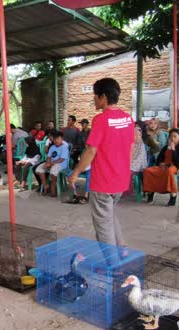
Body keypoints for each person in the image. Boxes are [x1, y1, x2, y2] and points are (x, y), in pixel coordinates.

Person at [68, 77, 134, 247]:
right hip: (120, 180)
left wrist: (75, 173)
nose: (94, 99)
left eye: (95, 96)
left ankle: (112, 269)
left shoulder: (101, 120)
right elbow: (130, 148)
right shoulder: (127, 119)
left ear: (103, 97)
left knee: (103, 227)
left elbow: (91, 151)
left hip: (103, 182)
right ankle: (123, 250)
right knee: (109, 215)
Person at [143, 129, 179, 206]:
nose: (172, 138)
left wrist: (173, 150)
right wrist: (161, 163)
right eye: (171, 136)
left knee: (169, 171)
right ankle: (150, 194)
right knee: (148, 171)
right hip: (164, 166)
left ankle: (173, 196)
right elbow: (159, 159)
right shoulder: (166, 147)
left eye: (175, 136)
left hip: (175, 167)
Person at [36, 131, 69, 197]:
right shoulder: (52, 147)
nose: (56, 141)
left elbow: (61, 159)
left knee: (53, 170)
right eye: (55, 139)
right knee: (39, 168)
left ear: (62, 139)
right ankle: (45, 186)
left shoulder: (64, 147)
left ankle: (53, 186)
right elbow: (49, 156)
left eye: (58, 139)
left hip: (61, 164)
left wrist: (51, 163)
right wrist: (47, 162)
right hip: (52, 163)